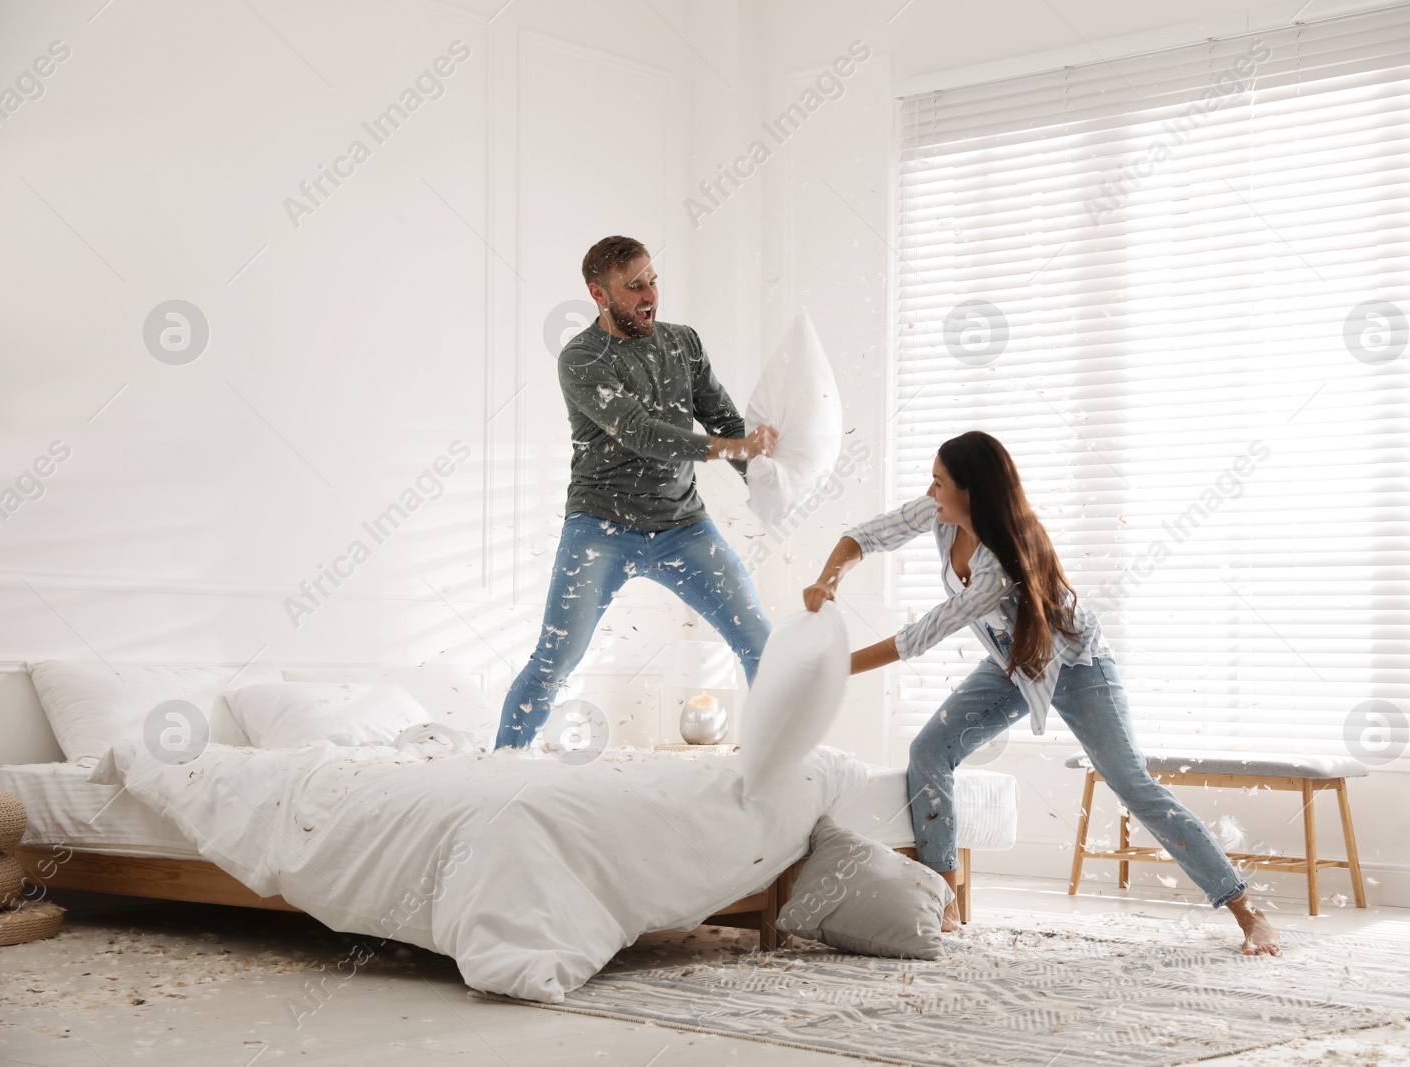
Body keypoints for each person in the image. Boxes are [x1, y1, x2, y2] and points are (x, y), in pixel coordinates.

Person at [802, 431, 1281, 955]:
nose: (930, 490)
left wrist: (833, 668)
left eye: (939, 482)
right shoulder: (940, 514)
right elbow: (866, 536)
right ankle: (945, 897)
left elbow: (922, 635)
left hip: (1076, 664)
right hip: (1012, 660)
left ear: (972, 491)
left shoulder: (1000, 563)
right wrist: (829, 581)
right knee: (930, 751)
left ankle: (1246, 911)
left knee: (1133, 785)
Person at [496, 236, 777, 750]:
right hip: (600, 527)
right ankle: (497, 772)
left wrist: (766, 482)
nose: (649, 294)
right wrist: (736, 445)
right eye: (634, 286)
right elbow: (642, 433)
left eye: (652, 280)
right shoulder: (581, 358)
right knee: (554, 660)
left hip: (683, 526)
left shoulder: (683, 342)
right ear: (599, 295)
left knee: (762, 641)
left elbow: (723, 419)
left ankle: (774, 768)